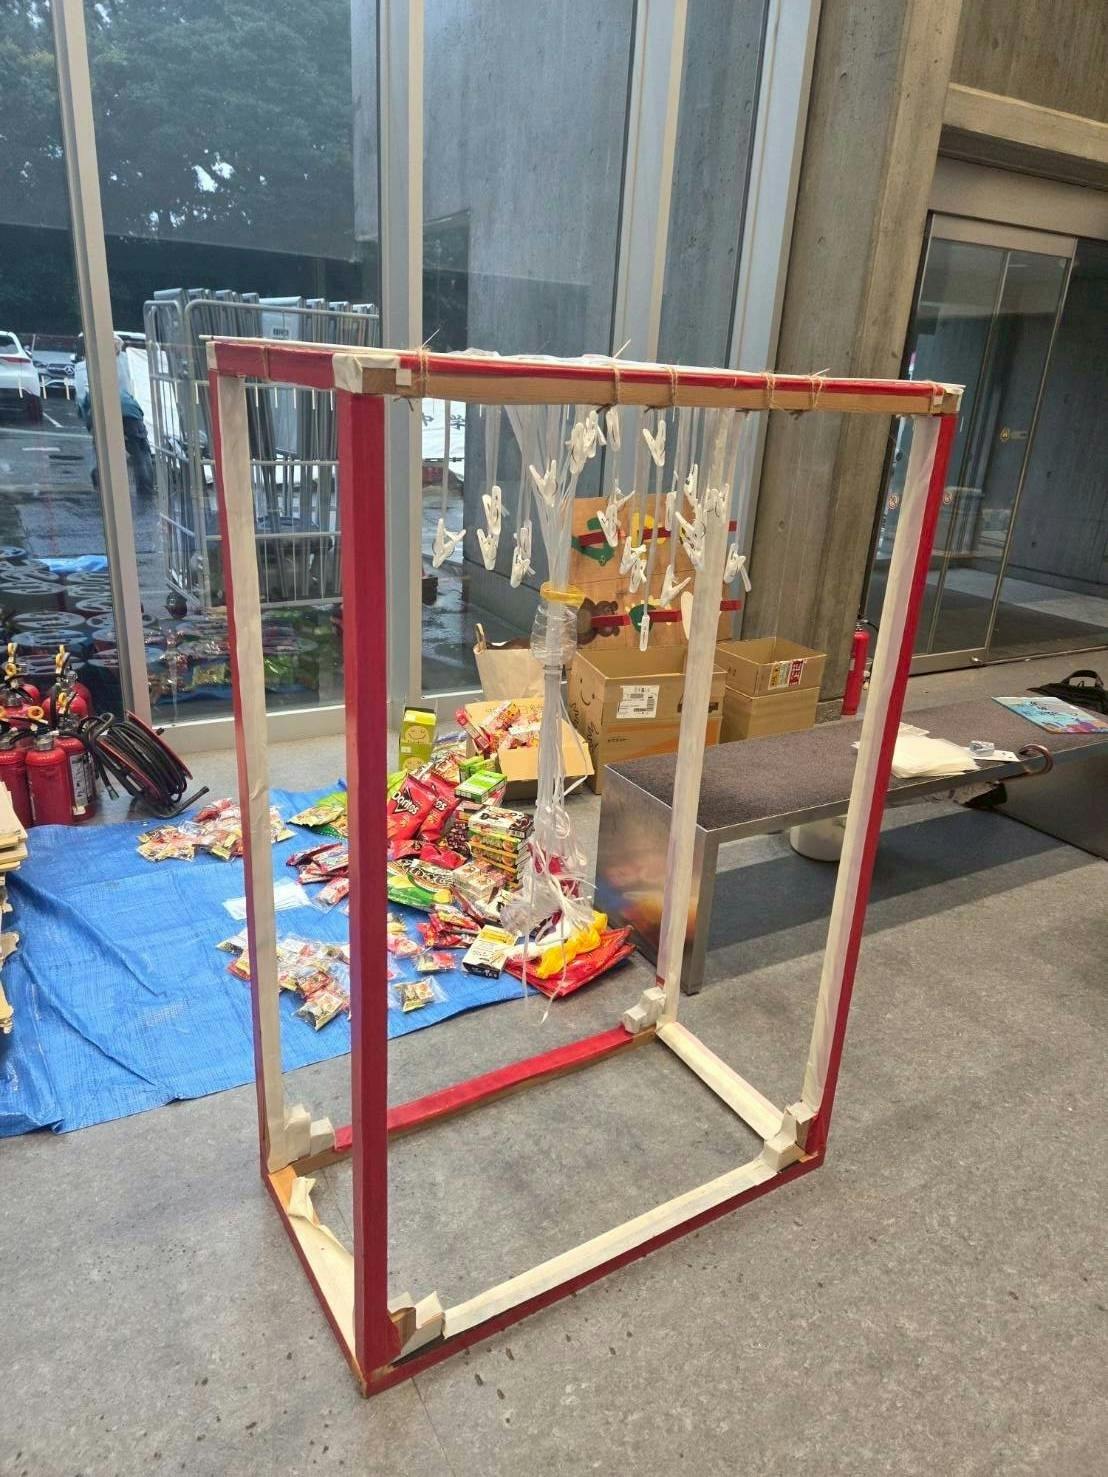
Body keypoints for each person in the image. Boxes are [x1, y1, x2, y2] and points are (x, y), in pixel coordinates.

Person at [74, 333, 155, 497]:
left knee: (103, 451)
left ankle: (101, 483)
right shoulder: (126, 362)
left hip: (102, 411)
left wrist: (87, 419)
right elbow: (132, 388)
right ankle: (146, 489)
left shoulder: (85, 366)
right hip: (130, 410)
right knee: (140, 451)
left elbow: (82, 397)